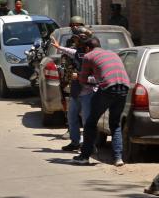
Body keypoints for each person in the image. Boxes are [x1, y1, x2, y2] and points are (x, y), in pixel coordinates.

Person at [72, 37, 130, 166]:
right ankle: (118, 158)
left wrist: (79, 77)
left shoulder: (88, 56)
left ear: (87, 48)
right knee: (115, 124)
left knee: (91, 123)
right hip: (124, 88)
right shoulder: (112, 53)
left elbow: (82, 80)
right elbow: (107, 73)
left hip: (107, 89)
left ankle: (85, 156)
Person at [50, 27, 95, 151]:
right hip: (76, 91)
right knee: (72, 117)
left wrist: (81, 77)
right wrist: (59, 48)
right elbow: (71, 52)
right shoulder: (78, 52)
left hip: (88, 92)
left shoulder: (93, 54)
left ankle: (88, 145)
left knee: (86, 120)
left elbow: (98, 77)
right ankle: (75, 142)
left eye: (76, 38)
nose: (74, 40)